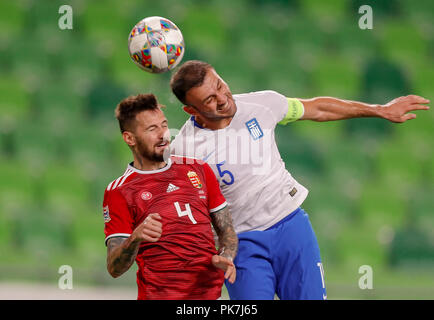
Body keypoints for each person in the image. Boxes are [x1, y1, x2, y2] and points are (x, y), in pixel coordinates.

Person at [169, 60, 430, 300]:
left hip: (290, 227)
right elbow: (190, 214)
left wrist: (379, 110)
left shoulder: (261, 104)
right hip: (242, 245)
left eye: (220, 85)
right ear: (191, 110)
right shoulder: (185, 151)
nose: (223, 99)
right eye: (210, 100)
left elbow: (317, 108)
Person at [102, 93, 238, 300]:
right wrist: (135, 238)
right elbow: (114, 268)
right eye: (152, 129)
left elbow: (227, 231)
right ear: (129, 138)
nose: (163, 134)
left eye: (164, 125)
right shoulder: (119, 191)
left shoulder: (199, 169)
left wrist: (225, 256)